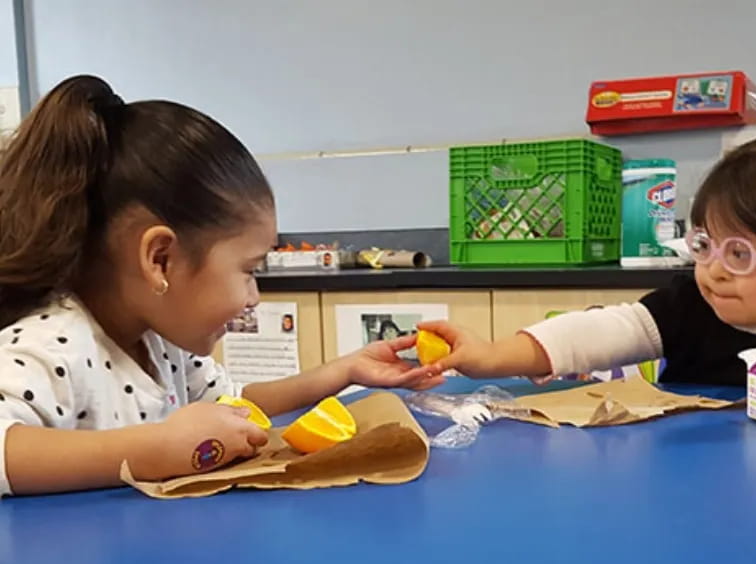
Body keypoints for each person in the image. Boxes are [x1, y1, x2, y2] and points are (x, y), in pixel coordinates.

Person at [0, 75, 440, 496]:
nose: (253, 297)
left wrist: (343, 371)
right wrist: (154, 449)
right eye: (248, 271)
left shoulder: (159, 343)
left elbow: (236, 406)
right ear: (160, 259)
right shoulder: (53, 346)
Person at [419, 95, 756, 402]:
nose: (713, 272)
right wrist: (486, 356)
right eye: (704, 244)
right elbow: (593, 333)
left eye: (740, 255)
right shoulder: (688, 309)